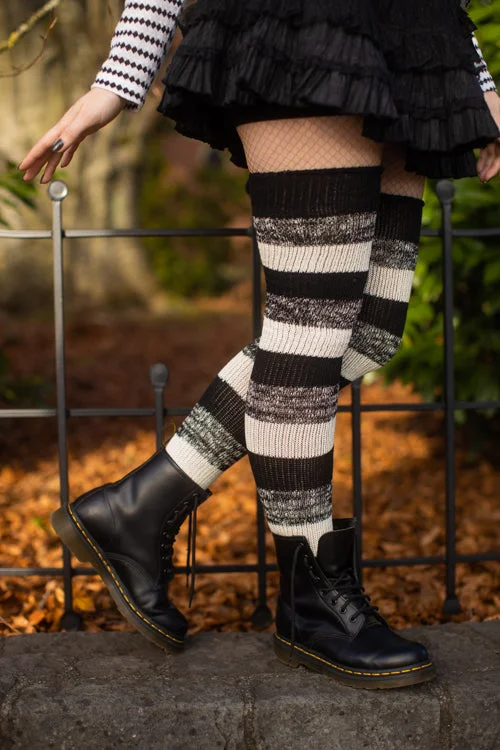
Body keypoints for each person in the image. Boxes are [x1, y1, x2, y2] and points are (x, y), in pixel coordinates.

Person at [19, 0, 500, 690]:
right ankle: (311, 605)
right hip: (301, 32)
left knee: (366, 336)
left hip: (409, 40)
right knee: (306, 336)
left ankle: (141, 506)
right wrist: (120, 78)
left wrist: (473, 78)